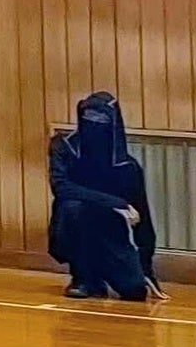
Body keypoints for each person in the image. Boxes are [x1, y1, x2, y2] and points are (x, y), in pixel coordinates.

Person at [47, 89, 160, 303]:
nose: (94, 124)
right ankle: (84, 277)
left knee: (134, 290)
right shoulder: (64, 147)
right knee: (72, 207)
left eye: (101, 119)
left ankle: (112, 273)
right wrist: (116, 203)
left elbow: (142, 218)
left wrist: (146, 269)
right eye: (89, 117)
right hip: (74, 224)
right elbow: (61, 188)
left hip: (109, 231)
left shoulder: (127, 166)